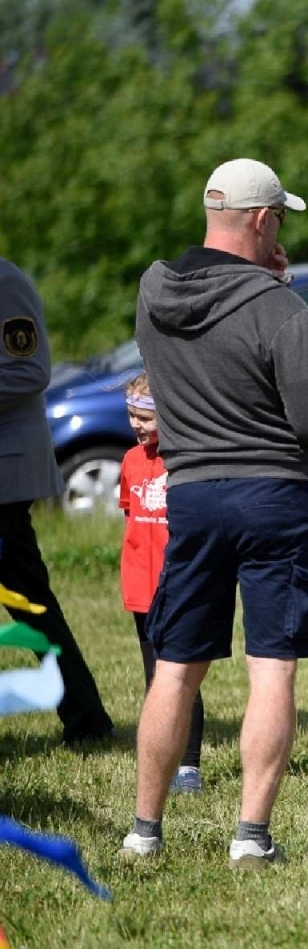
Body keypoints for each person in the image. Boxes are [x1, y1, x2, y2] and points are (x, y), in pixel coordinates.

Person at [120, 158, 308, 870]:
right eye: (280, 217)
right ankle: (250, 837)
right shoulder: (278, 307)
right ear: (261, 219)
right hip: (275, 493)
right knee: (271, 668)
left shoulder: (154, 291)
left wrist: (269, 283)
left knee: (176, 667)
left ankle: (143, 831)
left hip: (190, 492)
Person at [0, 256, 115, 748]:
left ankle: (87, 719)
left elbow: (28, 370)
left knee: (30, 603)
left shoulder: (6, 282)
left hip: (4, 478)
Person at [119, 373, 204, 793]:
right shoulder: (131, 461)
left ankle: (189, 764)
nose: (137, 425)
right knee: (155, 674)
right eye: (132, 416)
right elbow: (129, 516)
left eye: (146, 418)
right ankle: (161, 755)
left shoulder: (186, 460)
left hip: (181, 584)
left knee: (183, 674)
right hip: (141, 587)